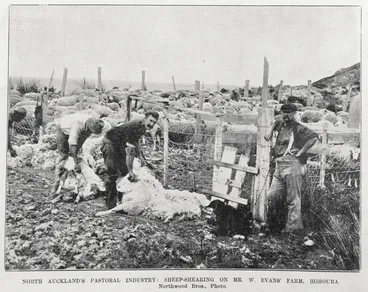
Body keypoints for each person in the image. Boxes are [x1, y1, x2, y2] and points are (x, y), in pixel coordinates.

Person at [264, 103, 318, 235]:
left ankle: (293, 229)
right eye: (283, 112)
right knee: (272, 195)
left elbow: (313, 137)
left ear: (294, 114)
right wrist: (272, 124)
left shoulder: (298, 127)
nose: (285, 115)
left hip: (293, 164)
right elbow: (266, 137)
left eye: (288, 112)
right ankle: (276, 223)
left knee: (293, 199)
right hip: (279, 164)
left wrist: (300, 152)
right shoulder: (280, 124)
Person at [102, 111, 159, 209]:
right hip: (110, 144)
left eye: (154, 122)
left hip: (119, 144)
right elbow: (130, 152)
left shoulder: (142, 127)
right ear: (145, 118)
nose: (152, 124)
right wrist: (131, 170)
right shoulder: (135, 126)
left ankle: (121, 198)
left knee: (124, 172)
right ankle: (110, 203)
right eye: (150, 121)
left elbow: (136, 141)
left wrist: (140, 155)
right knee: (113, 173)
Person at [51, 113, 105, 195]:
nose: (91, 133)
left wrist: (76, 155)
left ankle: (77, 183)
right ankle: (57, 184)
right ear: (88, 127)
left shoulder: (96, 123)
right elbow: (72, 143)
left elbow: (79, 143)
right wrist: (75, 162)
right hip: (63, 128)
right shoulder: (77, 125)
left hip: (81, 129)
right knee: (64, 156)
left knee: (77, 154)